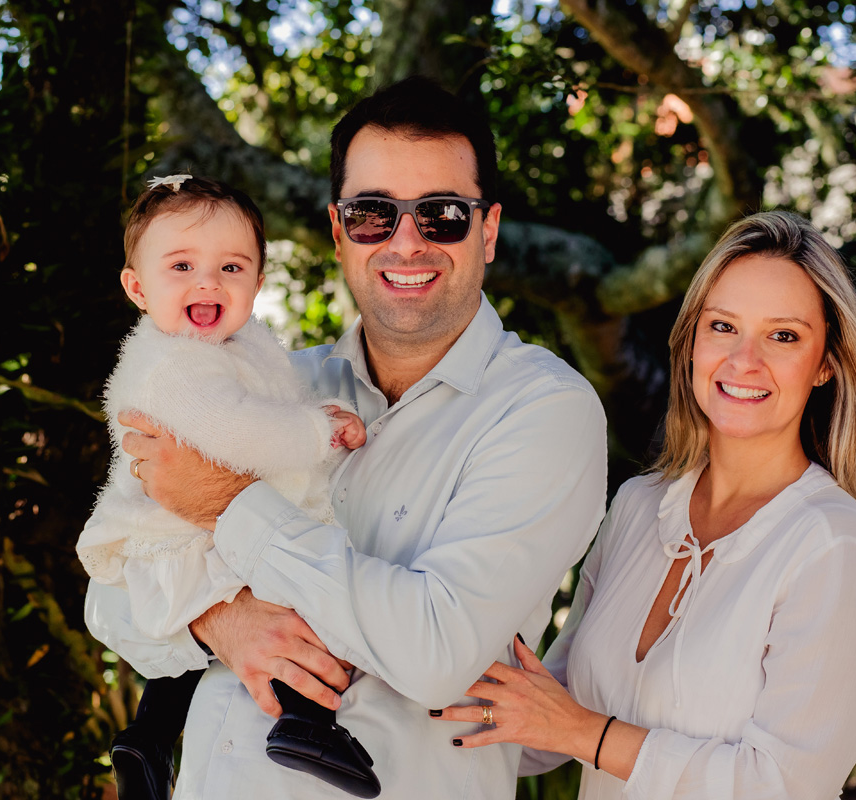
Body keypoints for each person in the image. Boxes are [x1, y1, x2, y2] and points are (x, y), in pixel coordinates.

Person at [83, 76, 608, 798]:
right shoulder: (272, 386)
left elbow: (434, 655)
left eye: (443, 215)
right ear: (338, 231)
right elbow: (108, 600)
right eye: (372, 215)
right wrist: (220, 620)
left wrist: (226, 505)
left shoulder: (543, 411)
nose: (406, 241)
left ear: (487, 230)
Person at [435, 210, 856, 798]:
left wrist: (585, 733)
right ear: (692, 340)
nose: (744, 360)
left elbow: (783, 784)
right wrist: (382, 672)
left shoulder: (833, 545)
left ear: (826, 362)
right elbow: (546, 718)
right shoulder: (636, 507)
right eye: (723, 326)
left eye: (783, 335)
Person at [76, 175, 376, 798]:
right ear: (137, 287)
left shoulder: (231, 346)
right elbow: (238, 430)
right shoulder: (171, 360)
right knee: (298, 598)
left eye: (231, 267)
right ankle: (306, 722)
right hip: (177, 526)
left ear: (258, 284)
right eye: (181, 265)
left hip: (191, 524)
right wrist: (319, 430)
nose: (208, 282)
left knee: (223, 612)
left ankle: (150, 738)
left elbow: (263, 402)